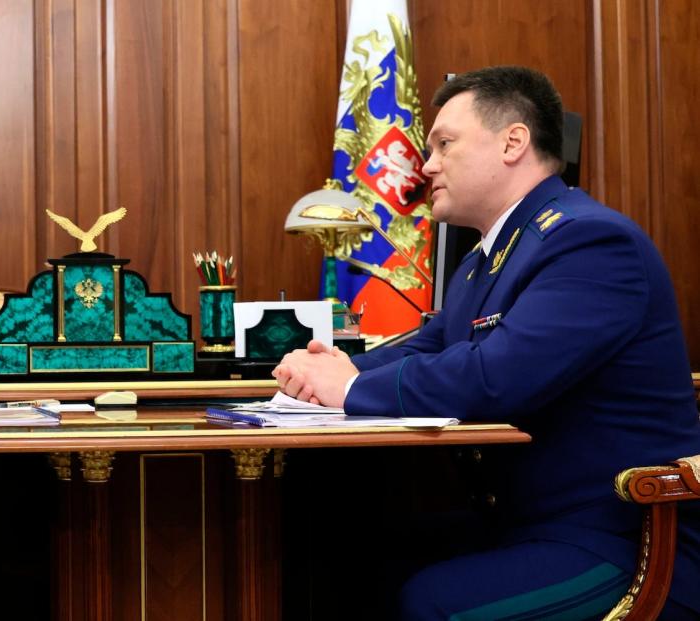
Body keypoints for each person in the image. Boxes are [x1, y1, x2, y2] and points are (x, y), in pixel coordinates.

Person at [274, 66, 700, 619]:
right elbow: (427, 348)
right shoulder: (487, 259)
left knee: (429, 603)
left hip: (620, 540)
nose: (426, 166)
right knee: (339, 558)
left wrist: (351, 388)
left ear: (513, 142)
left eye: (444, 144)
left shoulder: (591, 243)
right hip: (526, 521)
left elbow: (497, 376)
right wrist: (328, 370)